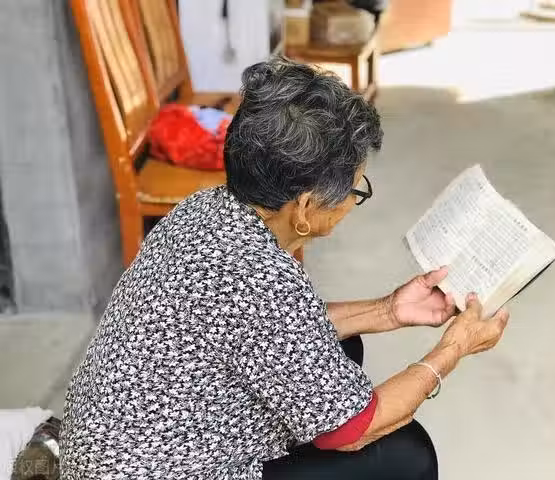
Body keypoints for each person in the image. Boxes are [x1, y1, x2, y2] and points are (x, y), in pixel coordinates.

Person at [59, 58, 509, 480]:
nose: (353, 203)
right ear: (306, 208)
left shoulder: (203, 209)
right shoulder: (261, 279)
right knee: (407, 455)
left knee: (343, 349)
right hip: (159, 469)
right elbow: (351, 431)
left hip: (113, 451)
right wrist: (452, 349)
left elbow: (271, 329)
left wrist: (388, 310)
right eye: (355, 191)